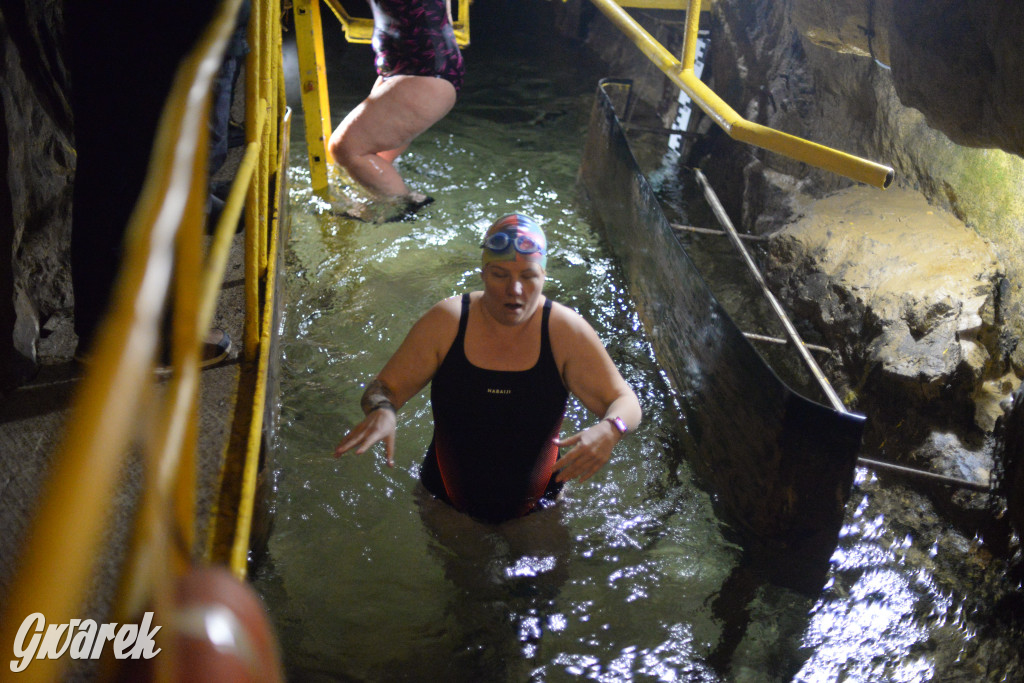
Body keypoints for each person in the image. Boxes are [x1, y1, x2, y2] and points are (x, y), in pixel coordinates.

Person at [334, 213, 642, 523]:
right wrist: (382, 411)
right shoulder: (447, 323)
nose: (515, 289)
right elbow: (382, 389)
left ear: (544, 276)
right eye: (500, 274)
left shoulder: (565, 332)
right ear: (482, 273)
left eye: (528, 276)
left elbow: (626, 402)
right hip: (445, 499)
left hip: (541, 506)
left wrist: (610, 429)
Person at [327, 0, 464, 215]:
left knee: (346, 148)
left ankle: (404, 208)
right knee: (374, 160)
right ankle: (384, 206)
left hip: (424, 75)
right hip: (417, 69)